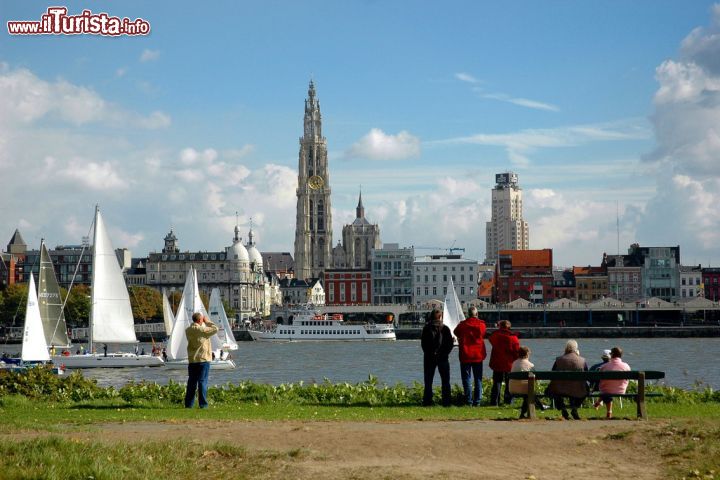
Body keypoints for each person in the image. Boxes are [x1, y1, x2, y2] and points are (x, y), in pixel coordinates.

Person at [453, 305, 487, 406]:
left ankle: (468, 401)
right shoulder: (481, 325)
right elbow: (483, 333)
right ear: (477, 314)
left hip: (465, 354)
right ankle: (477, 401)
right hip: (477, 355)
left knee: (466, 378)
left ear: (467, 314)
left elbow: (456, 332)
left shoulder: (462, 325)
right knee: (478, 378)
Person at [547, 339, 588, 420]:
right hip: (577, 389)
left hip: (560, 389)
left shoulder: (559, 359)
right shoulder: (582, 360)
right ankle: (575, 407)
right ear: (576, 348)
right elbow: (587, 375)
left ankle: (562, 408)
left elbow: (552, 374)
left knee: (552, 390)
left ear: (566, 348)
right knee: (587, 390)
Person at [420, 308, 454, 407]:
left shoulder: (426, 328)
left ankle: (427, 402)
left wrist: (429, 353)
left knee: (428, 381)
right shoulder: (445, 328)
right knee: (445, 381)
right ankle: (446, 402)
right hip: (443, 358)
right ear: (440, 317)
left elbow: (423, 344)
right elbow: (450, 344)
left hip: (429, 358)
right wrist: (445, 354)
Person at [184, 313, 218, 409]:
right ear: (200, 320)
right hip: (203, 359)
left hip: (192, 360)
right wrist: (207, 322)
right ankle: (203, 404)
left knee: (191, 383)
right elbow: (215, 328)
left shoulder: (188, 330)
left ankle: (188, 404)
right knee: (202, 382)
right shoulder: (202, 330)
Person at [509, 346, 548, 418]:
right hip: (525, 390)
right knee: (529, 393)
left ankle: (523, 414)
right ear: (527, 354)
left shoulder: (514, 363)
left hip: (512, 388)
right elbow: (535, 378)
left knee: (527, 395)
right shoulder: (530, 365)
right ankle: (541, 405)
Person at [488, 320, 519, 406]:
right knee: (509, 383)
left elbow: (490, 339)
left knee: (497, 383)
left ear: (500, 326)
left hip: (497, 363)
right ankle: (508, 401)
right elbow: (516, 352)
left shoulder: (495, 335)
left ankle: (494, 402)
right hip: (509, 364)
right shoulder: (513, 338)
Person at [598, 346, 631, 419]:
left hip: (606, 391)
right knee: (608, 388)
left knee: (606, 389)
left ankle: (608, 411)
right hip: (621, 391)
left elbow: (599, 378)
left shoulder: (604, 366)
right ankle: (609, 411)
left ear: (612, 354)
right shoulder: (626, 366)